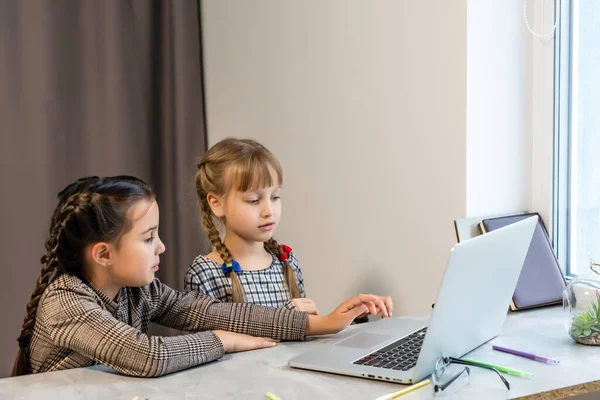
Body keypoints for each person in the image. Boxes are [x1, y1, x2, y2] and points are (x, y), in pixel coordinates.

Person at [13, 175, 391, 377]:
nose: (161, 247)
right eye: (148, 238)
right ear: (104, 254)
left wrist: (319, 323)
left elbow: (216, 312)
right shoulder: (67, 301)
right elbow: (147, 355)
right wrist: (223, 341)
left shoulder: (139, 292)